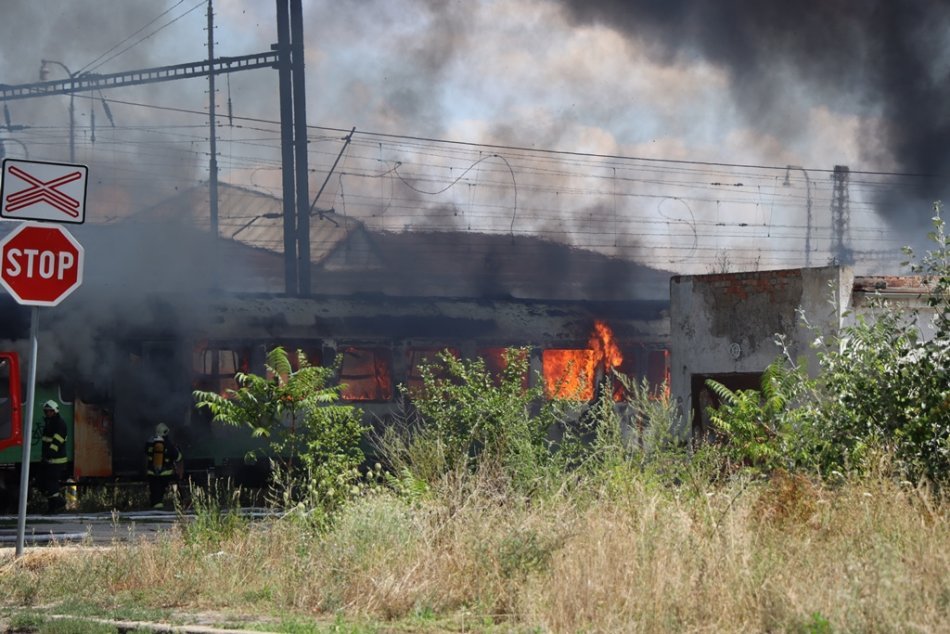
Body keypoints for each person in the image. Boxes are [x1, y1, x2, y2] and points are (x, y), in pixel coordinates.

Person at [145, 422, 184, 509]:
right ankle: (158, 509)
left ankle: (155, 507)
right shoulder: (169, 445)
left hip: (152, 473)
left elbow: (146, 454)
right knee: (160, 492)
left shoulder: (149, 443)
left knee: (155, 493)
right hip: (165, 474)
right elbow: (178, 458)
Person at [40, 399, 68, 514]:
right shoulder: (50, 422)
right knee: (44, 483)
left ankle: (56, 505)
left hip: (56, 461)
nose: (47, 413)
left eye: (49, 411)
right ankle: (56, 504)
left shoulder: (59, 424)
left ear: (55, 411)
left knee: (51, 484)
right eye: (46, 411)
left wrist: (48, 455)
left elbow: (56, 443)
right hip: (50, 459)